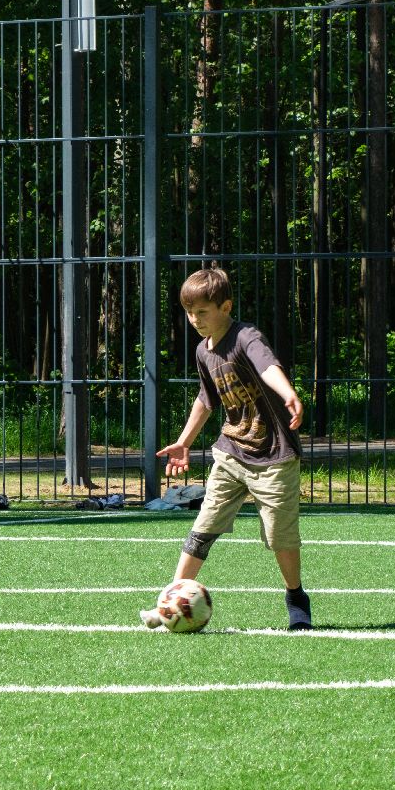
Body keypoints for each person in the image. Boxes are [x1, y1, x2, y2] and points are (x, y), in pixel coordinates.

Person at [154, 268, 312, 630]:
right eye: (189, 313)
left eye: (203, 312)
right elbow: (206, 400)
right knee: (203, 527)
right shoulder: (202, 351)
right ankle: (170, 601)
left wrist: (287, 392)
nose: (195, 320)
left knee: (279, 537)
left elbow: (267, 365)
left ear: (225, 306)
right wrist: (184, 441)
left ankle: (296, 598)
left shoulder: (245, 336)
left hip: (274, 458)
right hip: (230, 453)